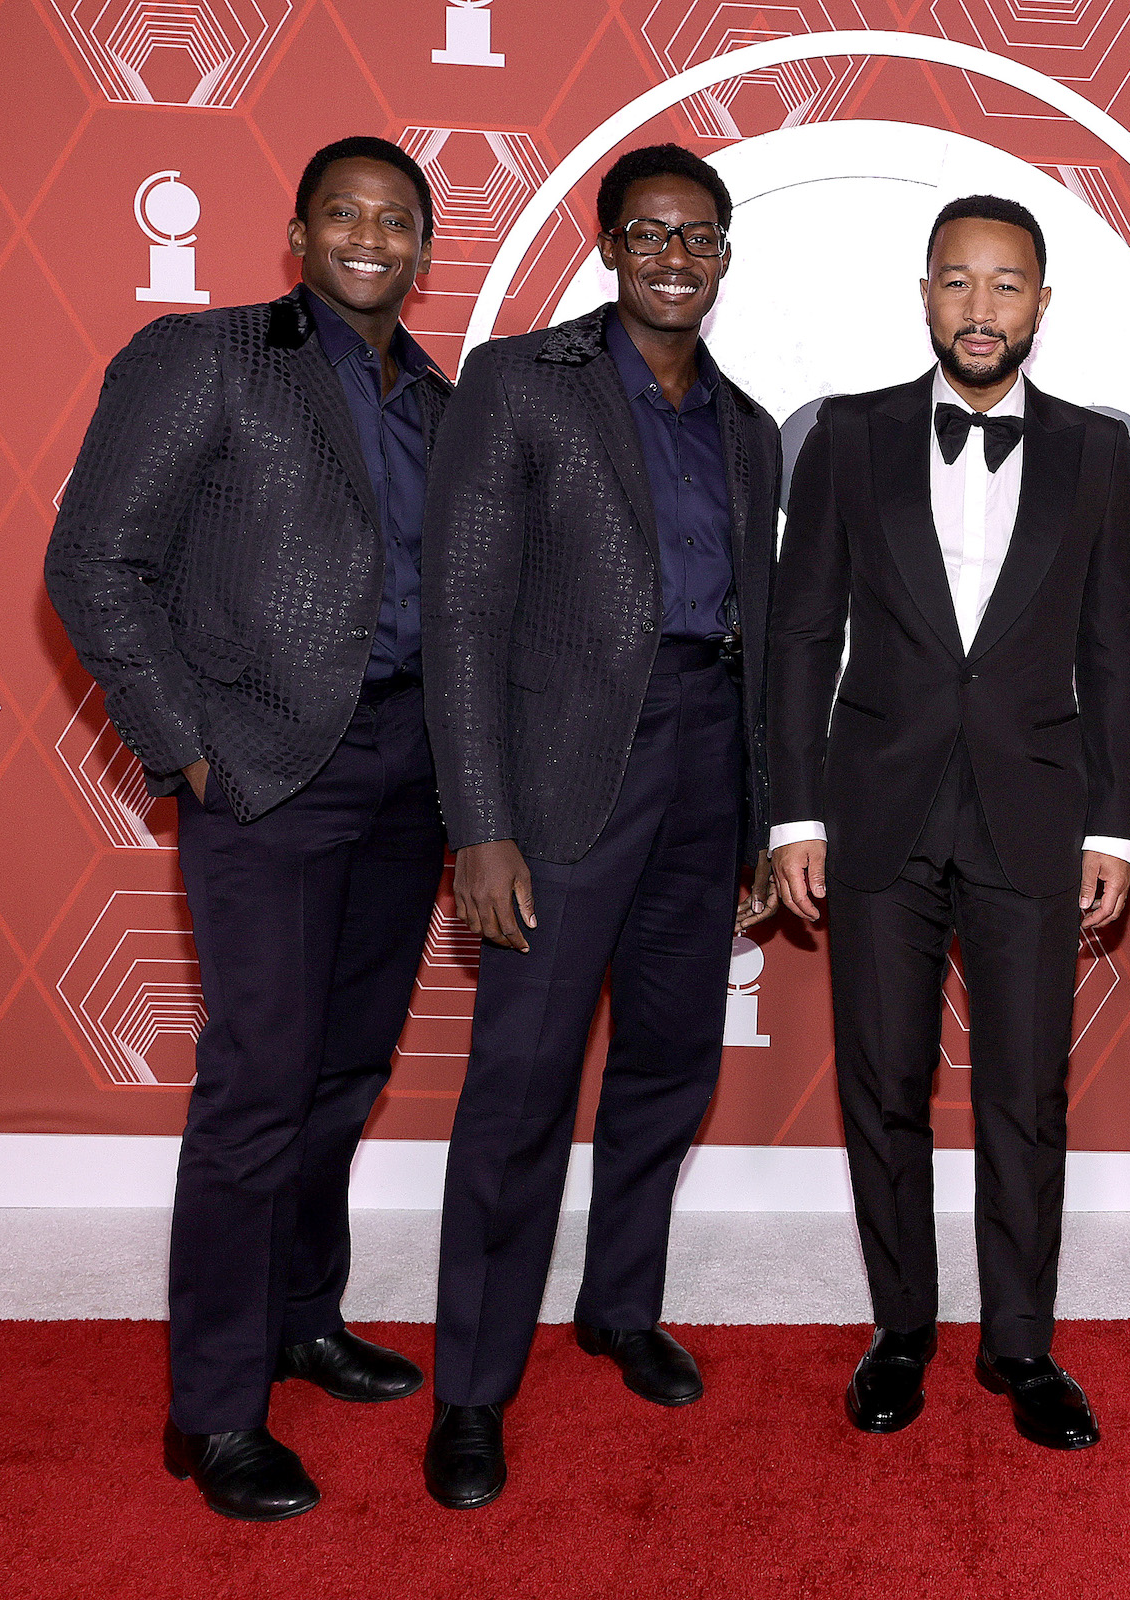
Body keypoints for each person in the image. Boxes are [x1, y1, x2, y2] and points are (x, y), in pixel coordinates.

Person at [46, 136, 449, 1521]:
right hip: (270, 772)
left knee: (342, 1075)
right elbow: (93, 557)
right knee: (259, 1087)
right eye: (344, 212)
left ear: (423, 247)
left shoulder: (438, 402)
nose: (369, 235)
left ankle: (302, 1317)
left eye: (395, 219)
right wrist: (189, 747)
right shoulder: (208, 357)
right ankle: (214, 1412)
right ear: (296, 232)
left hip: (411, 775)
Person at [419, 143, 779, 1506]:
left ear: (724, 256)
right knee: (517, 1091)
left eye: (698, 237)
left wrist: (755, 815)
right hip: (564, 782)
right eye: (650, 234)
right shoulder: (523, 382)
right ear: (610, 245)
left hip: (705, 778)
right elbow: (460, 613)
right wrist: (482, 822)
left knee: (669, 1067)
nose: (675, 257)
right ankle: (471, 1388)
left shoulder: (746, 424)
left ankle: (620, 1304)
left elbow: (762, 638)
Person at [768, 195, 1130, 1451]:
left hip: (1036, 815)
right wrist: (795, 814)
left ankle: (1022, 1346)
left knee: (1027, 1095)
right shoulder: (849, 438)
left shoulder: (1099, 452)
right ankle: (902, 1330)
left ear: (1043, 301)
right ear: (924, 295)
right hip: (875, 808)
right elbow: (799, 637)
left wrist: (1114, 826)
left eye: (1007, 285)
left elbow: (1116, 653)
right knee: (883, 1082)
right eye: (958, 283)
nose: (981, 309)